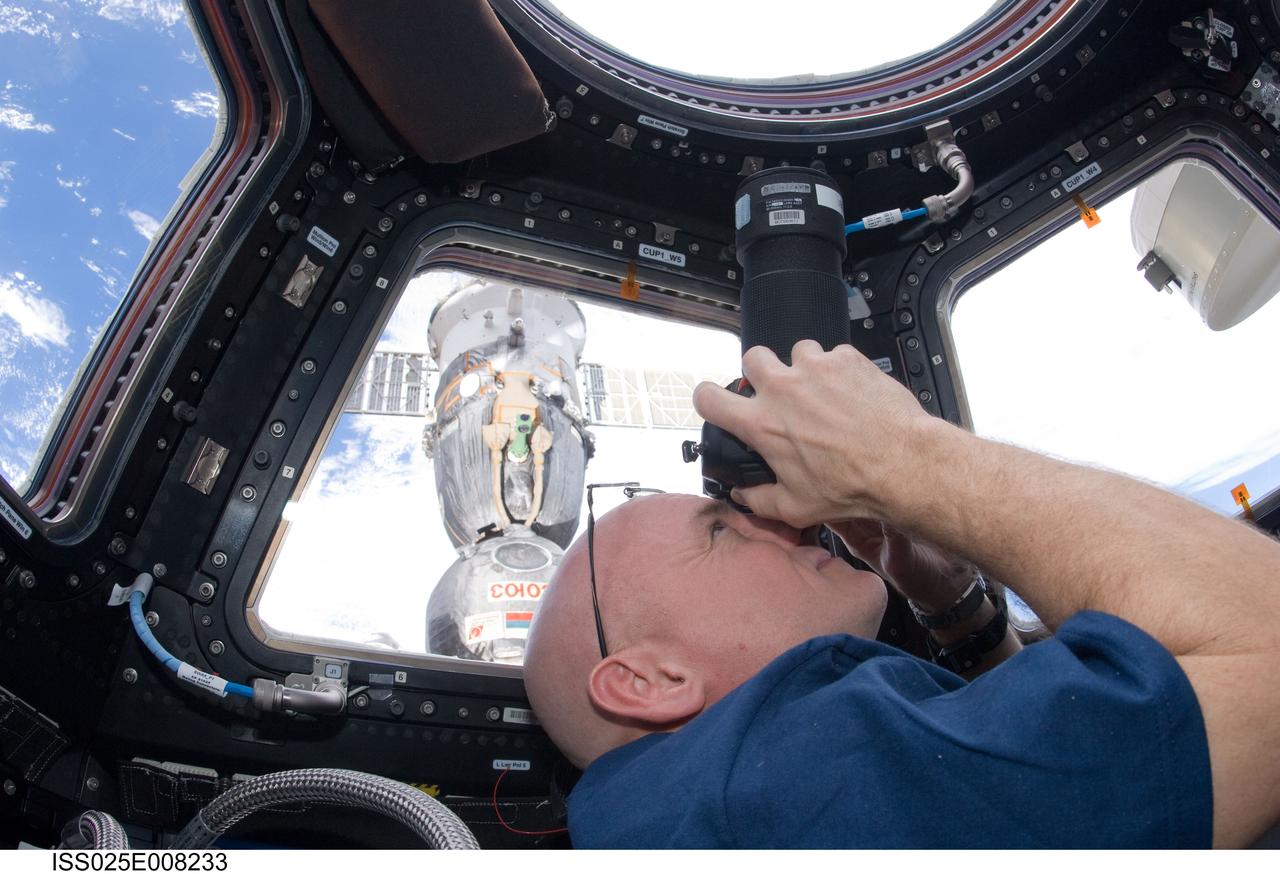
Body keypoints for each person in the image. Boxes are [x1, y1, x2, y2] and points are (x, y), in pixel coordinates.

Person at [522, 341, 1280, 848]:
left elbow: (1035, 738)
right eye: (721, 532)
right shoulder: (799, 784)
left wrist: (946, 598)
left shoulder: (730, 799)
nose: (787, 528)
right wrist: (900, 459)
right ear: (649, 681)